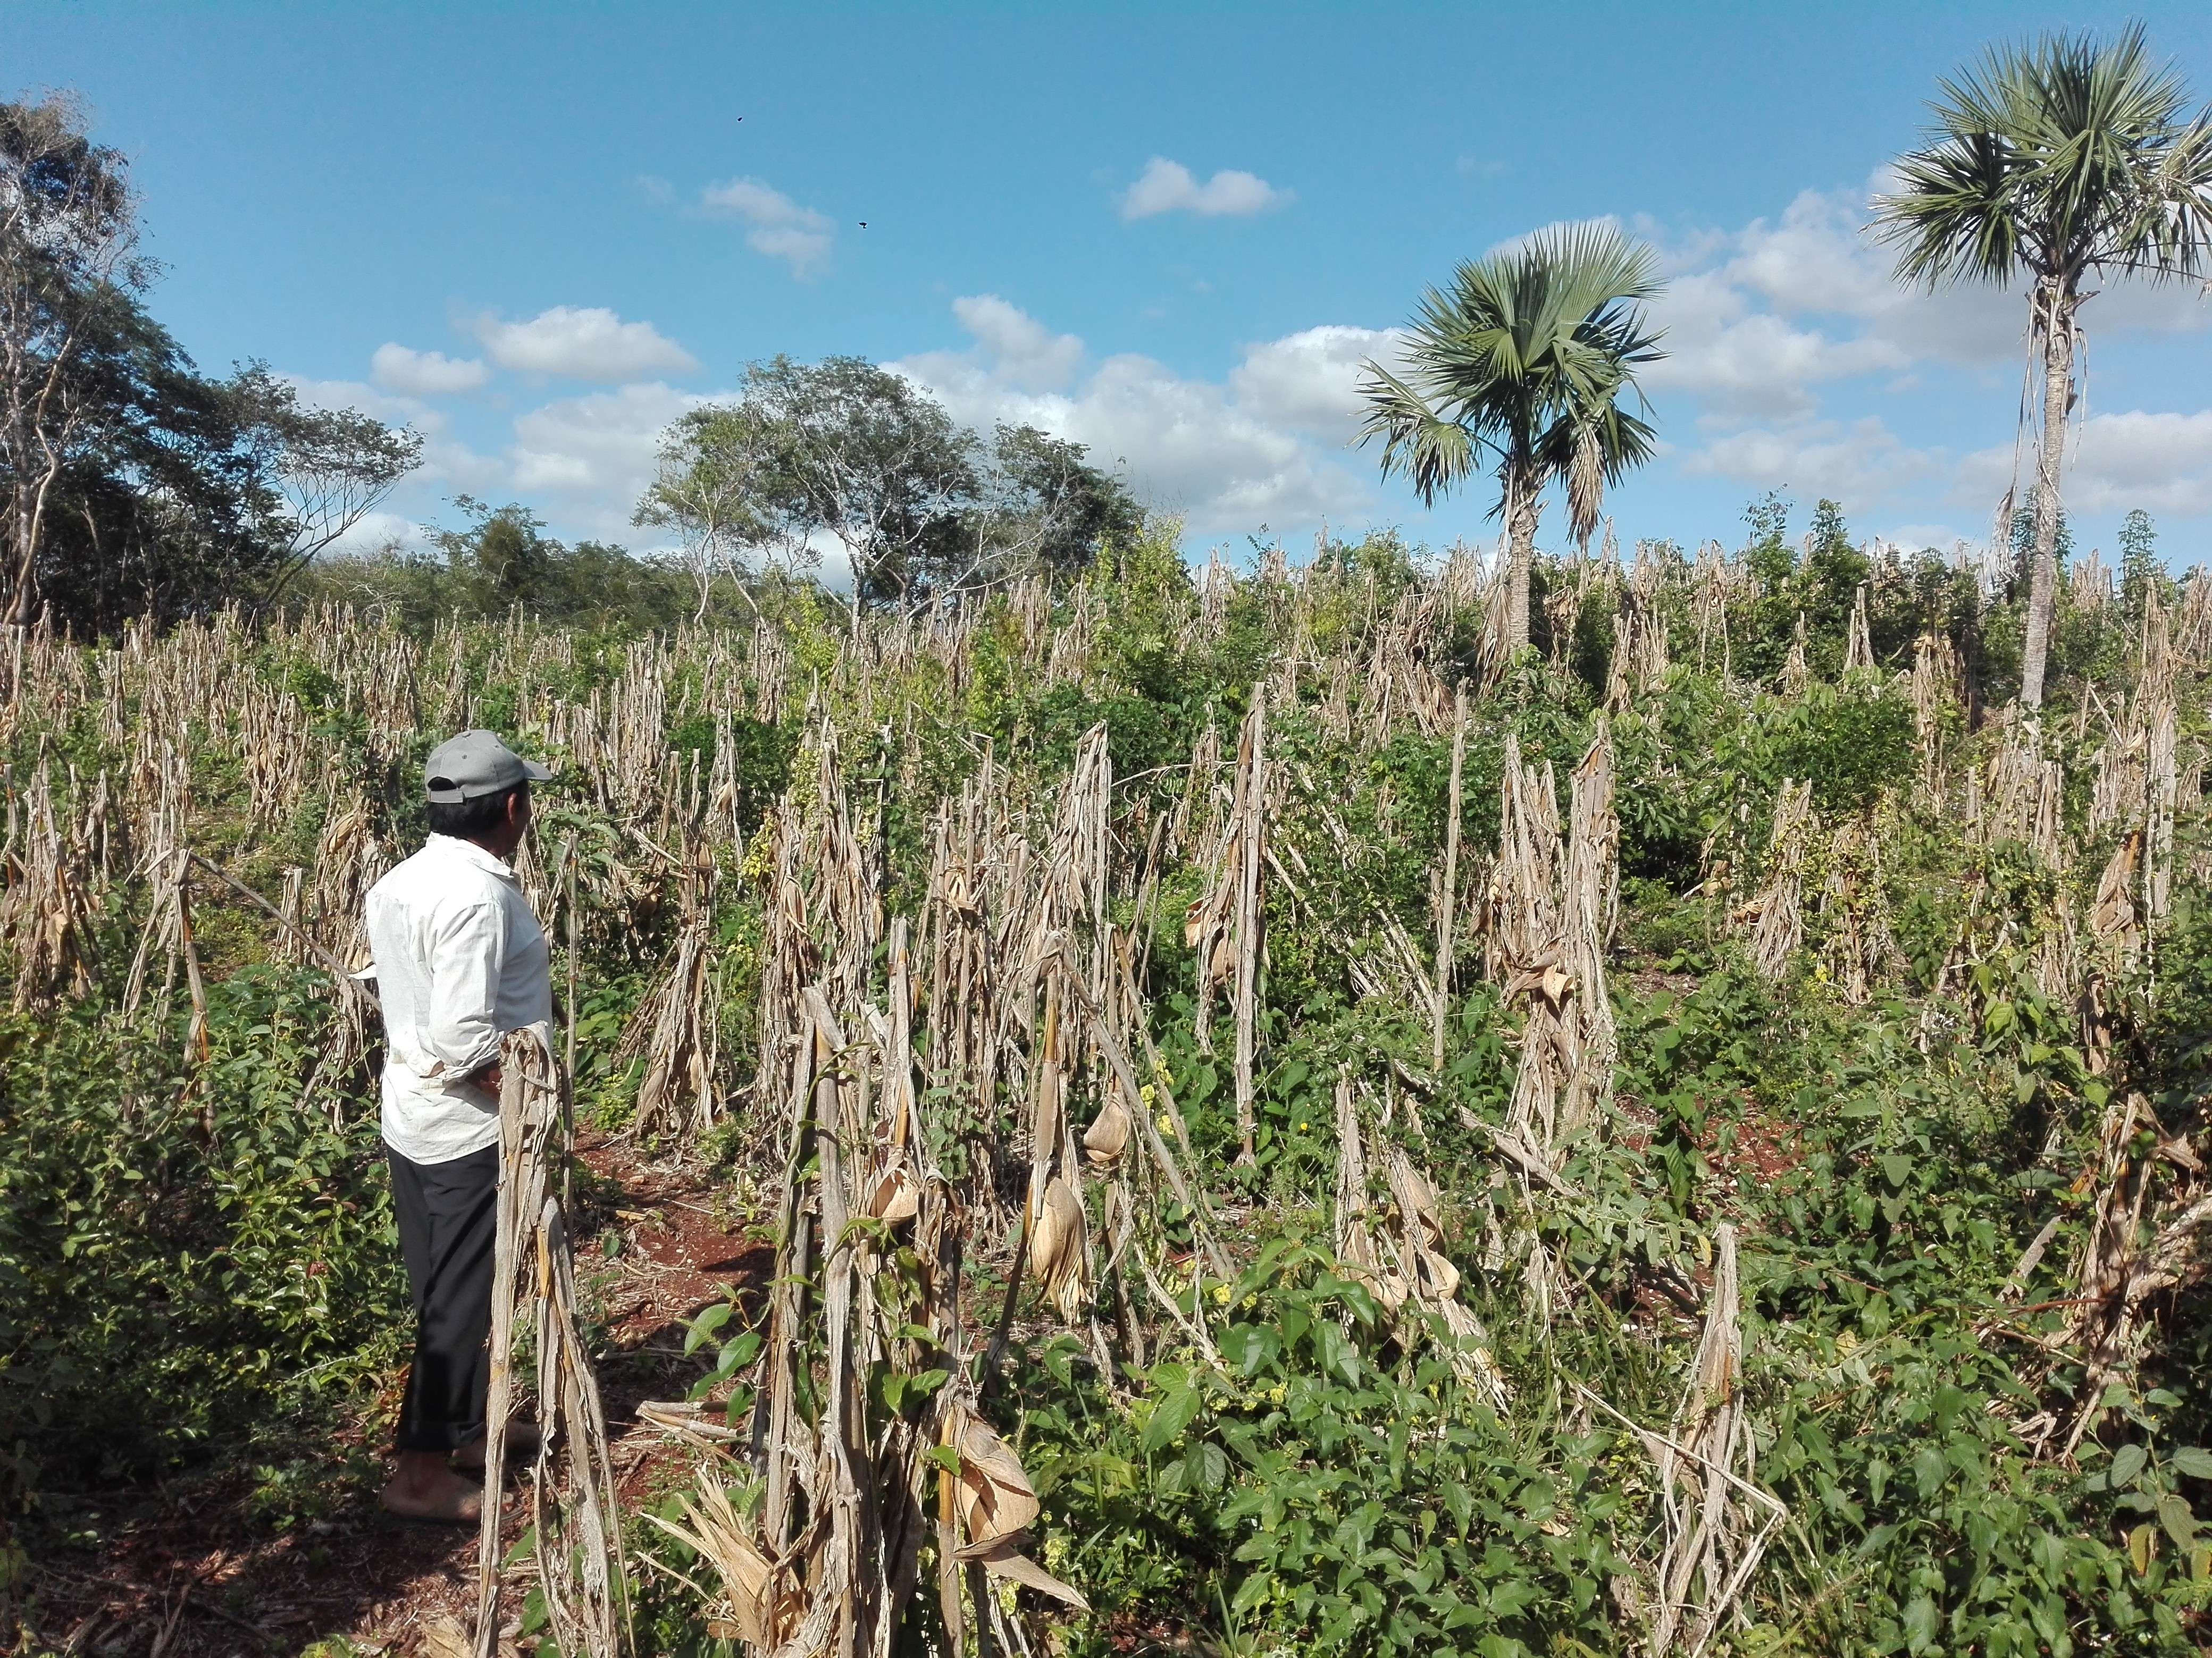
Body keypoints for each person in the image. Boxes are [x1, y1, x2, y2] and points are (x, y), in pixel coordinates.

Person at [365, 729, 553, 1522]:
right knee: (458, 1301)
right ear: (511, 808)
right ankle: (419, 1476)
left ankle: (471, 1430)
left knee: (442, 1285)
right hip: (469, 1129)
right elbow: (465, 1035)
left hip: (411, 1116)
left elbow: (396, 986)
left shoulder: (400, 881)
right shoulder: (479, 898)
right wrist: (523, 1097)